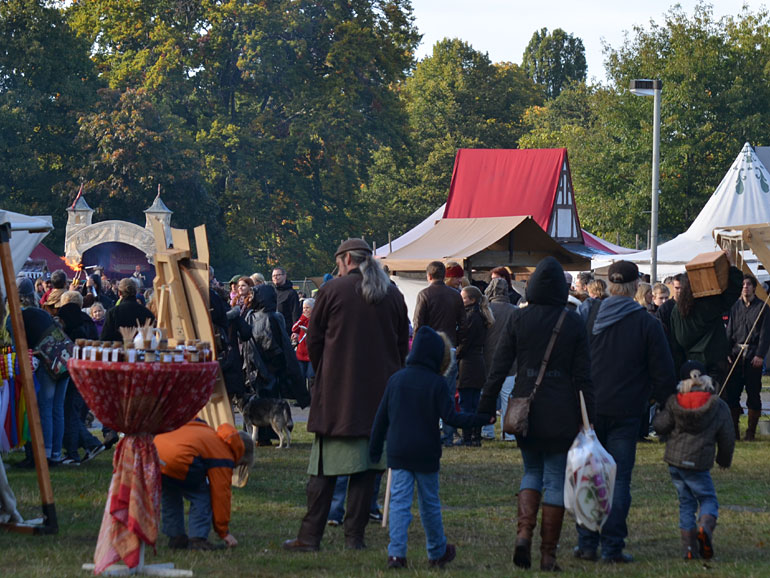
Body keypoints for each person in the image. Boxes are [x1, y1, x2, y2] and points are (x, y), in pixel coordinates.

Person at [283, 238, 409, 553]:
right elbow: (400, 347)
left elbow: (313, 342)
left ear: (347, 260)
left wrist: (328, 372)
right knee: (367, 471)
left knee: (323, 471)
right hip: (378, 398)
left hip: (337, 398)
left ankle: (310, 537)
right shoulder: (392, 294)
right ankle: (355, 538)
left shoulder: (332, 291)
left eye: (338, 263)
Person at [479, 257, 594, 571]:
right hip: (562, 409)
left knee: (531, 471)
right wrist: (589, 418)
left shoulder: (519, 318)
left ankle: (523, 534)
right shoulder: (572, 322)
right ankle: (548, 555)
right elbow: (584, 376)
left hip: (525, 406)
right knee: (555, 478)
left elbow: (499, 366)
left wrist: (486, 406)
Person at [575, 260, 676, 564]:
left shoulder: (590, 315)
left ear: (610, 285)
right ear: (635, 287)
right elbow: (663, 373)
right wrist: (659, 402)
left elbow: (574, 360)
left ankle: (587, 542)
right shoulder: (647, 323)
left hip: (590, 410)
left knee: (590, 475)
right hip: (627, 410)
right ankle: (612, 546)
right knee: (618, 480)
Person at [370, 326, 491, 569]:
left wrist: (374, 450)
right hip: (426, 452)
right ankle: (436, 551)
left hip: (399, 451)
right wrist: (481, 419)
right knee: (430, 505)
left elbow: (381, 418)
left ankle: (396, 554)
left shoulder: (396, 380)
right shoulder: (437, 383)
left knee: (399, 503)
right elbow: (452, 418)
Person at [652, 361, 735, 560]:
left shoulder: (675, 401)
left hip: (676, 461)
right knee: (708, 499)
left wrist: (663, 413)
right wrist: (724, 460)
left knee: (686, 503)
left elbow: (660, 426)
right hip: (699, 463)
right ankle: (705, 528)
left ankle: (689, 548)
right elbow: (727, 436)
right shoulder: (717, 405)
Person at [154, 419, 254, 550]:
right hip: (181, 459)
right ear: (242, 454)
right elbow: (220, 495)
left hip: (158, 453)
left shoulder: (209, 433)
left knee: (171, 494)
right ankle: (197, 539)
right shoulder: (224, 454)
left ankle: (176, 537)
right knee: (202, 496)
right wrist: (223, 531)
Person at [241, 284, 309, 445]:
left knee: (263, 403)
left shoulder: (264, 317)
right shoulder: (263, 316)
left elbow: (271, 343)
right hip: (265, 368)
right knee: (265, 403)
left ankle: (263, 436)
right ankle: (263, 436)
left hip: (261, 368)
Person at [12, 278, 69, 467]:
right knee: (57, 409)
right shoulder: (41, 312)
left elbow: (18, 343)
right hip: (64, 360)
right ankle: (55, 454)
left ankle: (43, 455)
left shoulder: (19, 315)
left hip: (47, 364)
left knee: (45, 407)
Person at [669, 252, 742, 388]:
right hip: (713, 361)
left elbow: (675, 342)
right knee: (713, 397)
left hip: (689, 364)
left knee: (693, 398)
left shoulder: (676, 310)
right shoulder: (709, 305)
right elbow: (734, 290)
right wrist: (731, 265)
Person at [412, 261, 466, 446]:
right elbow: (463, 324)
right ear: (444, 275)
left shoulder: (424, 295)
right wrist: (458, 344)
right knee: (449, 394)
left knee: (427, 392)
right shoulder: (456, 296)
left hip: (429, 349)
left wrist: (418, 349)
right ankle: (449, 434)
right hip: (449, 348)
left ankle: (429, 432)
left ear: (428, 276)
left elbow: (418, 324)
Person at [56, 291, 106, 465]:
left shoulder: (69, 322)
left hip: (73, 370)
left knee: (69, 411)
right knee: (75, 411)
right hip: (88, 370)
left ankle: (85, 446)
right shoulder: (87, 321)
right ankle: (83, 446)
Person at [724, 274, 770, 440]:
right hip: (736, 355)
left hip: (753, 356)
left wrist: (760, 355)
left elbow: (765, 335)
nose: (745, 287)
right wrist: (726, 353)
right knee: (732, 393)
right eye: (743, 284)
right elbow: (729, 332)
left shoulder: (763, 308)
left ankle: (750, 432)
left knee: (753, 393)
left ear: (754, 288)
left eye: (748, 284)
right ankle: (734, 431)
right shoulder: (734, 307)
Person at [456, 285, 493, 446]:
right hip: (477, 361)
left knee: (466, 402)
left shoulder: (470, 316)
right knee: (475, 401)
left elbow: (465, 341)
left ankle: (467, 437)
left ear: (471, 300)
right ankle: (475, 436)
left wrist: (455, 354)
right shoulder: (480, 315)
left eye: (463, 298)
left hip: (468, 363)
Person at [482, 278, 518, 441]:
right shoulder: (514, 310)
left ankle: (487, 430)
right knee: (507, 397)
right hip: (510, 361)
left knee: (487, 396)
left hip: (487, 359)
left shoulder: (485, 309)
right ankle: (509, 433)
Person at [291, 298, 315, 392]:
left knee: (311, 377)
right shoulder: (302, 319)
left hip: (311, 354)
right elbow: (294, 328)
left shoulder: (316, 319)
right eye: (304, 308)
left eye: (307, 308)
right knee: (300, 377)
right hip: (301, 353)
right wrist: (303, 318)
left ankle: (312, 396)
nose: (305, 310)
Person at [272, 267, 301, 331]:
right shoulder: (272, 292)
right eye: (273, 276)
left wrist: (295, 331)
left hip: (287, 329)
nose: (275, 277)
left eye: (278, 275)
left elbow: (295, 313)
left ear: (284, 276)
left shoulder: (291, 293)